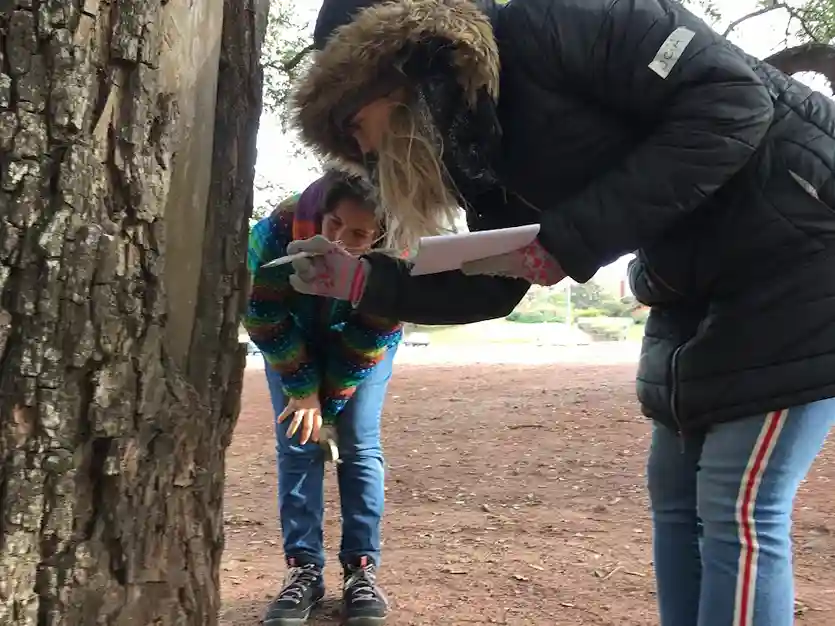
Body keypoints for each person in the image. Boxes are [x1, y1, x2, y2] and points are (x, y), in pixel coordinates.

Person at [280, 1, 835, 625]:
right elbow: (494, 280)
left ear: (389, 67)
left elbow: (733, 103)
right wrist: (362, 279)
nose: (365, 151)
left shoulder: (562, 21)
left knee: (739, 504)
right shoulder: (474, 142)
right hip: (686, 278)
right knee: (678, 501)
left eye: (353, 124)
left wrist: (569, 238)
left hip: (803, 250)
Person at [244, 168, 402, 626]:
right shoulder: (281, 227)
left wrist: (324, 404)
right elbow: (261, 312)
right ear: (322, 209)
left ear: (382, 232)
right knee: (297, 443)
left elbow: (373, 329)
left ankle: (362, 569)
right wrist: (301, 389)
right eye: (333, 224)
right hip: (289, 334)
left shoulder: (401, 250)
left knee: (357, 444)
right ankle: (304, 570)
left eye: (358, 234)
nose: (339, 241)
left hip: (360, 338)